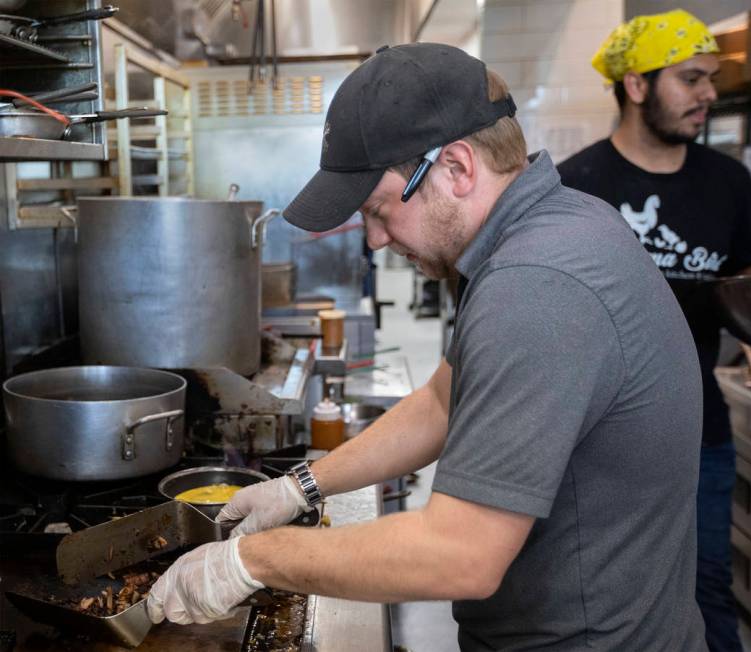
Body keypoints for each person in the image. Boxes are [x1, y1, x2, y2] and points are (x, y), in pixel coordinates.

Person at [147, 42, 707, 650]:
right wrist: (299, 487)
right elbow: (445, 398)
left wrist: (252, 561)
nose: (376, 240)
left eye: (379, 209)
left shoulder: (536, 285)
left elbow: (461, 553)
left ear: (458, 168)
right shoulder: (550, 227)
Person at [557, 10, 751, 652]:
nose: (708, 94)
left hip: (699, 431)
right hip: (595, 444)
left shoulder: (728, 182)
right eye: (691, 78)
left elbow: (745, 283)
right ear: (637, 85)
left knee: (706, 590)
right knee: (596, 601)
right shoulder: (577, 186)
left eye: (711, 79)